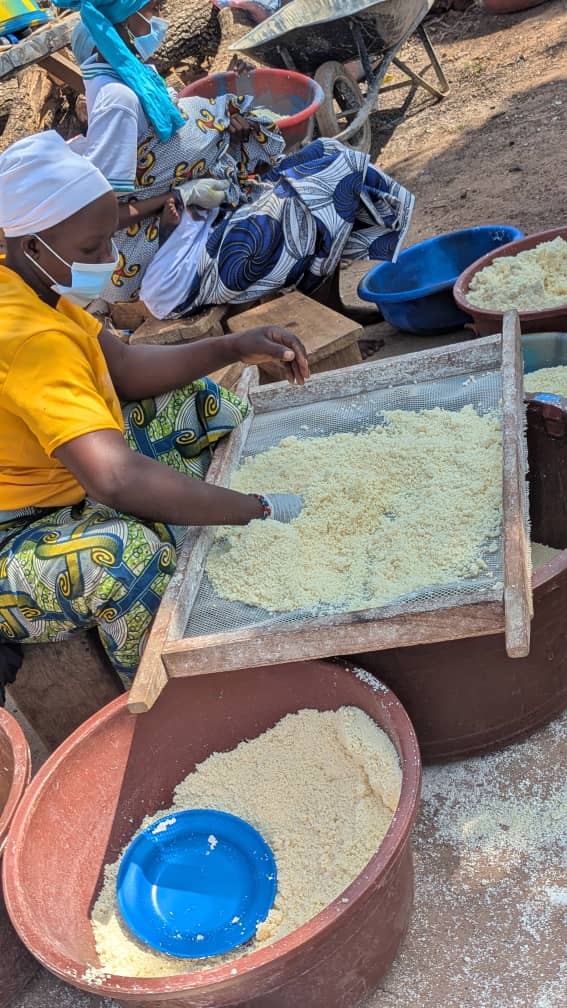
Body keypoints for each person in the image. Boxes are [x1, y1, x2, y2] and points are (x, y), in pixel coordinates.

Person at [0, 131, 309, 688]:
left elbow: (122, 367)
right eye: (92, 250)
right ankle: (178, 696)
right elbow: (115, 478)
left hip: (56, 481)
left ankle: (198, 528)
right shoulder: (28, 337)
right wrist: (254, 509)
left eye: (108, 242)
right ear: (32, 247)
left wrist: (231, 347)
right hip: (12, 531)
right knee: (127, 559)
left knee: (199, 404)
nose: (110, 260)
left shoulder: (32, 286)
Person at [57, 0, 415, 317]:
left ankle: (328, 301)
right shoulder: (116, 101)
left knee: (332, 157)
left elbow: (162, 154)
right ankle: (323, 304)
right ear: (123, 18)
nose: (159, 17)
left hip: (199, 217)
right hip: (174, 261)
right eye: (152, 9)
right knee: (315, 198)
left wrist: (224, 134)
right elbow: (99, 214)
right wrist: (179, 196)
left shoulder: (135, 78)